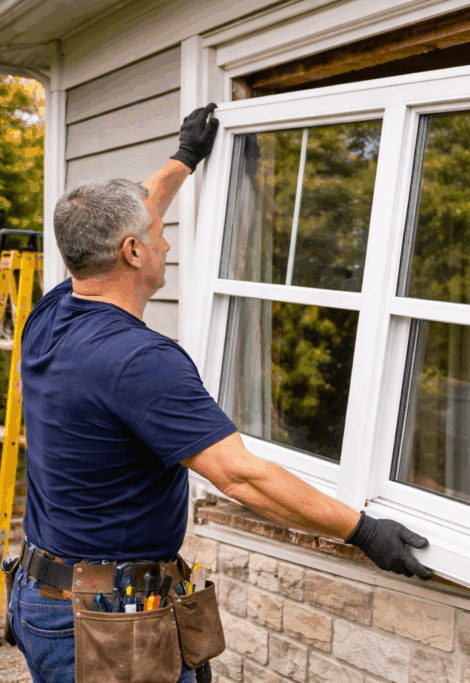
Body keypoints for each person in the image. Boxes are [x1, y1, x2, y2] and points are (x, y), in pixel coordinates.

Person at [9, 104, 433, 683]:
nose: (165, 241)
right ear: (132, 252)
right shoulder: (141, 361)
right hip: (106, 628)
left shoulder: (52, 312)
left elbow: (138, 210)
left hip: (44, 597)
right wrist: (362, 530)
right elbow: (241, 476)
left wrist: (184, 159)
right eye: (156, 235)